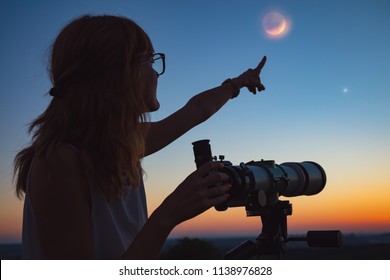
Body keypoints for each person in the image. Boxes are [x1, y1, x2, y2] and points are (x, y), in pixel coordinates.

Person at [13, 14, 267, 259]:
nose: (156, 73)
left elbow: (197, 110)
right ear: (114, 74)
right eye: (148, 61)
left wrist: (237, 84)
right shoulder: (59, 161)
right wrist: (169, 214)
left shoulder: (118, 143)